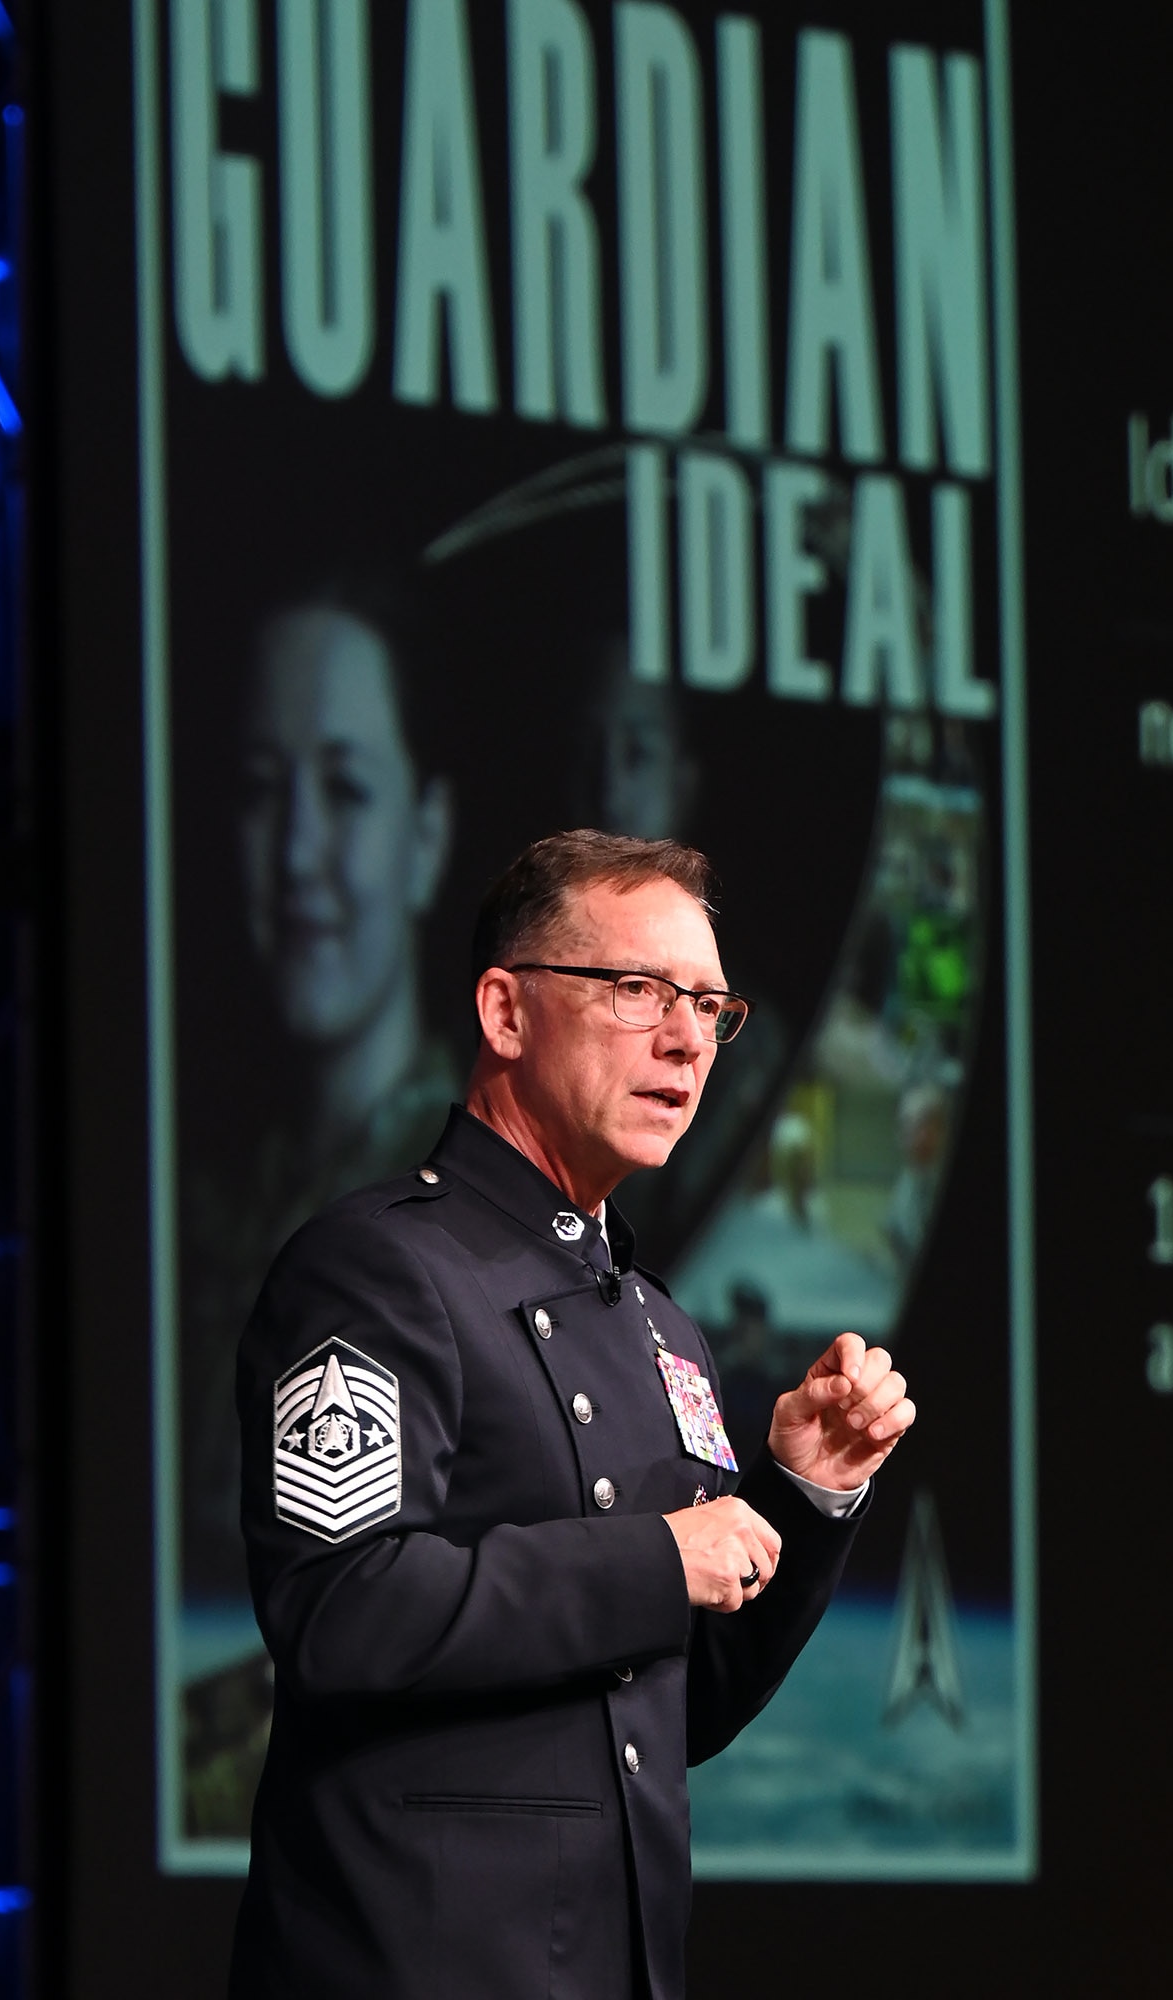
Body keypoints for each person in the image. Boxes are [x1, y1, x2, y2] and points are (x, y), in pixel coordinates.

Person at [229, 830, 916, 1999]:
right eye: (637, 990)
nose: (687, 1036)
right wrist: (654, 1555)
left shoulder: (659, 1327)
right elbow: (342, 1610)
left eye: (708, 1003)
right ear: (504, 1010)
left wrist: (801, 1493)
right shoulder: (376, 1268)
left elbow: (677, 1702)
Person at [182, 593, 458, 1828]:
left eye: (344, 790)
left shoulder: (503, 1217)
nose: (295, 852)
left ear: (427, 835)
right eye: (258, 789)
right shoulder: (194, 1211)